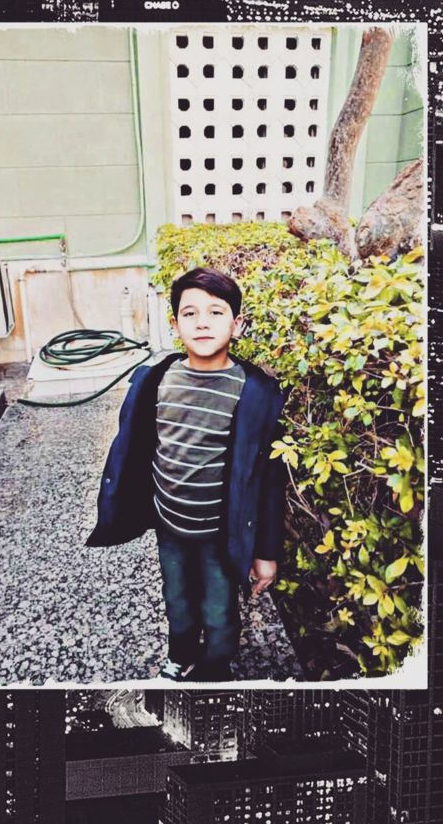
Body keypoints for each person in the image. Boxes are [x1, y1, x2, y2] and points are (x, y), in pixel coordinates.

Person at [86, 267, 288, 682]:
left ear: (237, 324)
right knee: (177, 599)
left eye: (216, 312)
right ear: (175, 324)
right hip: (171, 525)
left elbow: (268, 482)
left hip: (220, 532)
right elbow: (138, 448)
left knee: (219, 608)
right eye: (190, 313)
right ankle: (181, 655)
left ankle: (216, 667)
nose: (202, 323)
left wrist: (265, 553)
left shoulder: (255, 392)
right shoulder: (156, 380)